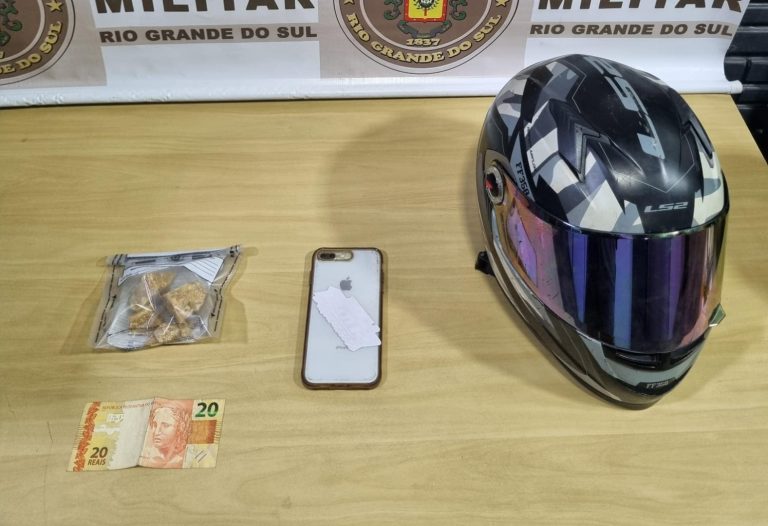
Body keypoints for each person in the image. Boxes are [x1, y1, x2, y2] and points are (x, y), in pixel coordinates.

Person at [140, 399, 192, 468]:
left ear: (179, 429)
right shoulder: (145, 457)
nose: (156, 432)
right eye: (155, 425)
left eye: (165, 425)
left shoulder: (182, 459)